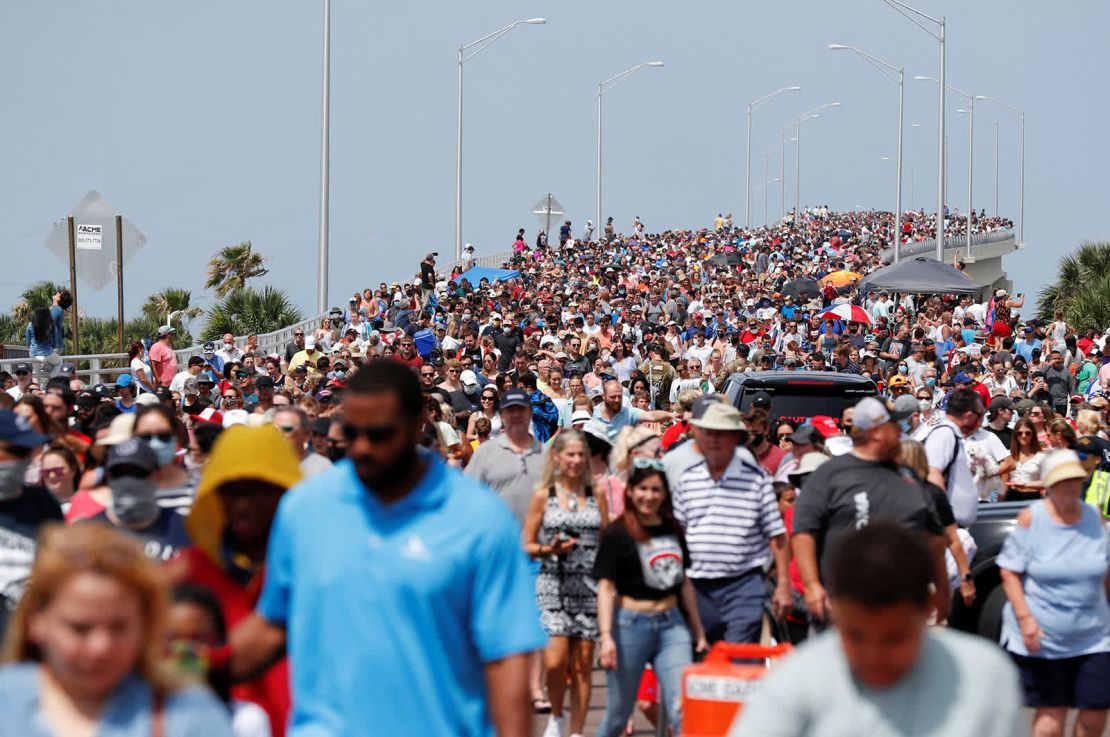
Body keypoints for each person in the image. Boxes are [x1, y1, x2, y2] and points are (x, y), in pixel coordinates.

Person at [230, 360, 545, 736]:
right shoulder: (305, 509)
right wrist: (185, 666)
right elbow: (271, 626)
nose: (361, 447)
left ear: (417, 426)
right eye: (352, 432)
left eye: (379, 434)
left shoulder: (479, 519)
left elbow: (506, 659)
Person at [731, 523, 1024, 737]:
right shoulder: (794, 682)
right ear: (835, 613)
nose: (874, 656)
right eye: (855, 636)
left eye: (895, 638)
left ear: (929, 609)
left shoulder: (986, 677)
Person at [0, 523, 235, 736]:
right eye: (80, 629)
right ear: (36, 621)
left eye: (119, 628)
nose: (101, 647)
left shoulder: (190, 713)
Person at [174, 424, 303, 737]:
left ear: (284, 492)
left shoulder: (316, 570)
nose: (243, 503)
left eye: (257, 490)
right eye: (232, 490)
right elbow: (169, 663)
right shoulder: (186, 574)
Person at [793, 397, 950, 626]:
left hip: (903, 607)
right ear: (876, 432)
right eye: (894, 425)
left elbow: (934, 537)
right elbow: (803, 532)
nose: (901, 430)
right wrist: (812, 586)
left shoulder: (909, 476)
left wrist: (942, 588)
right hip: (845, 607)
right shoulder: (828, 475)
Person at [999, 450, 1110, 737]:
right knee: (1052, 713)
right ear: (1048, 485)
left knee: (1097, 709)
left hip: (1094, 635)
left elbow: (1105, 571)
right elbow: (1009, 571)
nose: (1070, 486)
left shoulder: (1094, 516)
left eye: (1075, 480)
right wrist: (1025, 619)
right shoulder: (1030, 519)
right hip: (1045, 635)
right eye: (1062, 481)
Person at [593, 462, 708, 737]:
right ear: (631, 491)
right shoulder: (616, 533)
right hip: (630, 625)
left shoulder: (672, 528)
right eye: (643, 488)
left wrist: (698, 629)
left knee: (683, 709)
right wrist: (606, 636)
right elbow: (606, 587)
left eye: (656, 489)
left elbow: (684, 582)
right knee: (618, 716)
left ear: (664, 493)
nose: (649, 495)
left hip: (673, 626)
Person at [671, 401, 792, 643]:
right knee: (703, 660)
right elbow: (678, 535)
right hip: (697, 588)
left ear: (735, 438)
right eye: (708, 433)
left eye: (721, 434)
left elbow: (777, 536)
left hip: (744, 586)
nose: (714, 440)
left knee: (741, 659)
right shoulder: (688, 479)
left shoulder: (756, 481)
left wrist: (783, 586)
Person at [523, 429, 608, 737]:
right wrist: (550, 549)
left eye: (580, 455)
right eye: (570, 454)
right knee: (556, 658)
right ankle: (557, 716)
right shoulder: (544, 494)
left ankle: (576, 731)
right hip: (553, 583)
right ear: (556, 457)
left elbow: (606, 539)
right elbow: (527, 544)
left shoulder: (595, 492)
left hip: (588, 586)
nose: (575, 460)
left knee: (584, 663)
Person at [166, 584, 273, 737]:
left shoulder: (244, 721)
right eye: (173, 641)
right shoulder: (135, 717)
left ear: (220, 646)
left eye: (198, 641)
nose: (185, 651)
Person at [0, 410, 64, 634]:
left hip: (27, 638)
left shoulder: (43, 503)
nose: (25, 459)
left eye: (28, 451)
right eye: (16, 450)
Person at [89, 437, 190, 562]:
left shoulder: (184, 528)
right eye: (118, 473)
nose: (127, 481)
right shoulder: (88, 534)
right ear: (108, 477)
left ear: (157, 476)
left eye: (137, 472)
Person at [272, 406, 332, 479]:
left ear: (305, 433)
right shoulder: (265, 466)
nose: (279, 433)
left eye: (286, 428)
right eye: (274, 429)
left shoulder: (324, 468)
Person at [1004, 417, 1046, 501]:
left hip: (1033, 497)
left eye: (1028, 433)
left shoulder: (1041, 456)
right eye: (1020, 433)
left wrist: (1026, 484)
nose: (1023, 436)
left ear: (1033, 435)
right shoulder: (1009, 455)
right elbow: (1004, 483)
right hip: (1012, 497)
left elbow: (1046, 482)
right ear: (1015, 435)